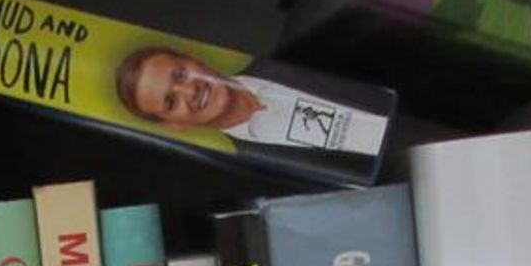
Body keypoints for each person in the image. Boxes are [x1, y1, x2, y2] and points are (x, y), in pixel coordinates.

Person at [112, 46, 386, 158]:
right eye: (171, 102)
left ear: (194, 57)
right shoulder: (257, 165)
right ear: (174, 125)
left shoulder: (291, 51)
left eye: (181, 74)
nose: (190, 90)